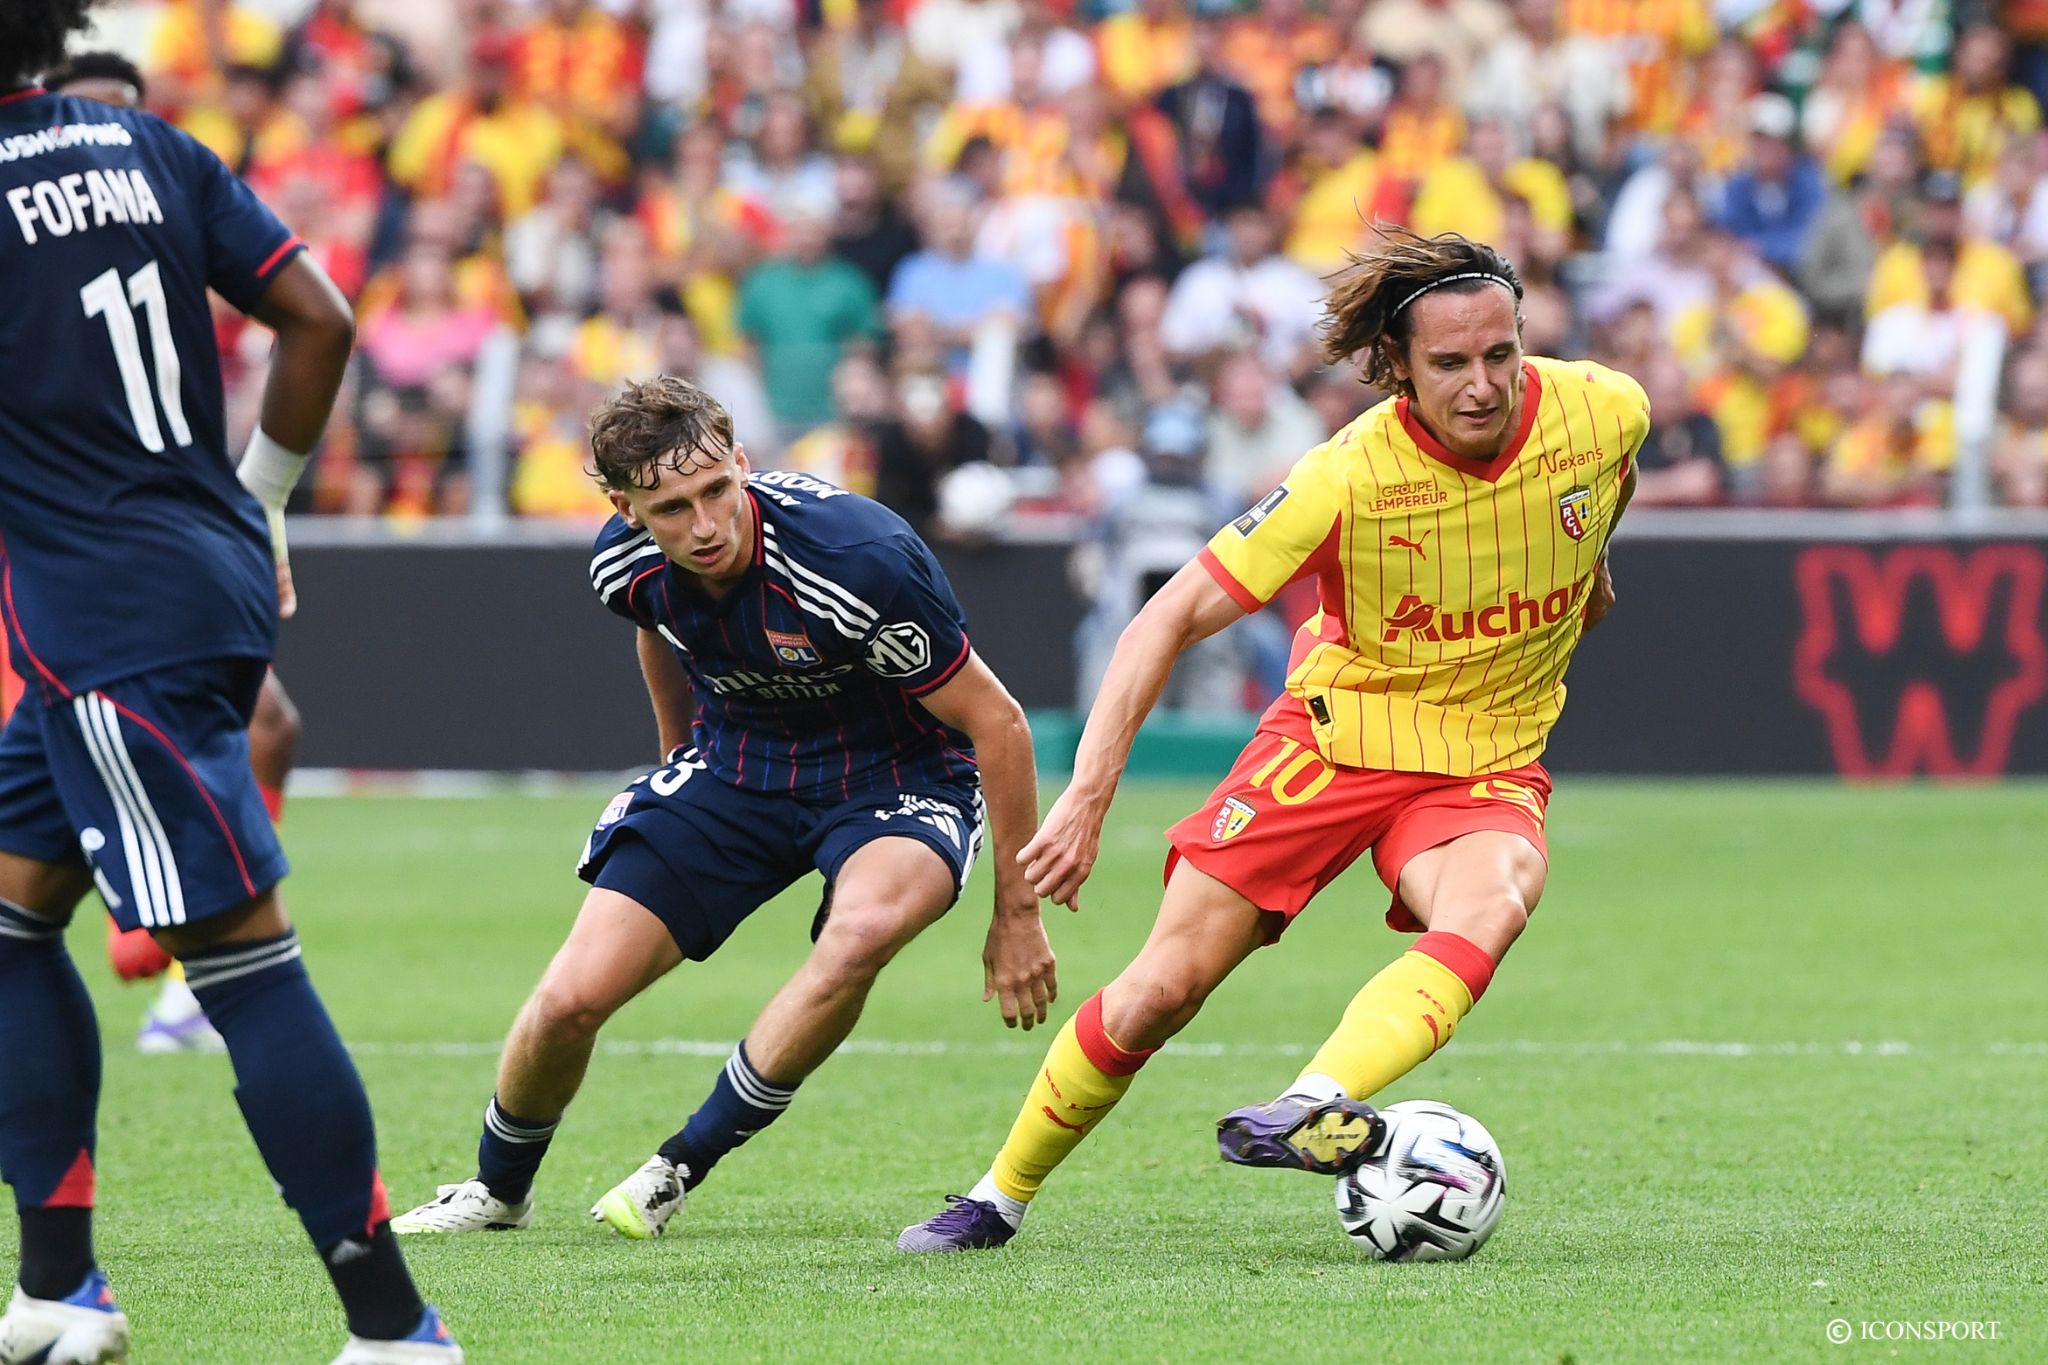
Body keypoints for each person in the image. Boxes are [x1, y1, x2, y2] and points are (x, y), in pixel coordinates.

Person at [898, 227, 1646, 1252]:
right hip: (1333, 741)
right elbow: (1162, 617)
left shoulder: (1605, 411)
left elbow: (1601, 496)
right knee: (1162, 987)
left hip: (1482, 756)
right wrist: (1087, 792)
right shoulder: (1344, 477)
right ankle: (997, 1195)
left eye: (1499, 354)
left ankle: (1314, 1103)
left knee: (1493, 899)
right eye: (1448, 364)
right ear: (1394, 368)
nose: (1482, 385)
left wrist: (1588, 575)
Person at [0, 6, 459, 1363]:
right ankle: (56, 1287)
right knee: (11, 916)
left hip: (105, 624)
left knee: (242, 960)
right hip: (195, 571)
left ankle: (393, 1327)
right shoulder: (148, 144)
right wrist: (258, 505)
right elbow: (316, 316)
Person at [392, 375, 1054, 1242]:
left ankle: (677, 1166)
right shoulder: (620, 566)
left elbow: (999, 724)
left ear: (742, 462)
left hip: (898, 777)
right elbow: (656, 627)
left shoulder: (857, 561)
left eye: (716, 490)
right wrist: (680, 760)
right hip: (739, 765)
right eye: (670, 508)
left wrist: (1016, 914)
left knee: (856, 937)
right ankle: (495, 1189)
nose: (705, 526)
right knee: (567, 1001)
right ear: (627, 509)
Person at [41, 48, 308, 1057]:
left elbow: (308, 320)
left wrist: (253, 506)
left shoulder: (162, 208)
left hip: (165, 531)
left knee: (271, 723)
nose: (109, 136)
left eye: (127, 115)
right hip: (55, 543)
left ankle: (186, 971)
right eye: (91, 112)